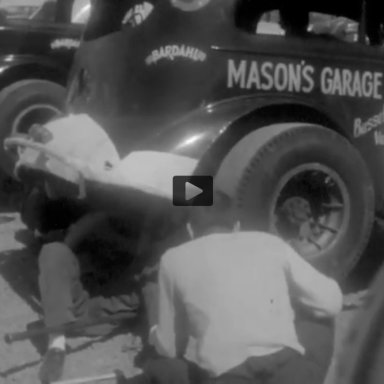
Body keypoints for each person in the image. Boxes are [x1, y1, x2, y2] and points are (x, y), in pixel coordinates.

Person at [118, 191, 343, 384]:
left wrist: (154, 333)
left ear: (190, 230)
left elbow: (169, 349)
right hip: (291, 374)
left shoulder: (172, 259)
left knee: (164, 366)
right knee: (321, 312)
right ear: (237, 226)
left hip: (229, 378)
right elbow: (332, 302)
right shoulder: (269, 242)